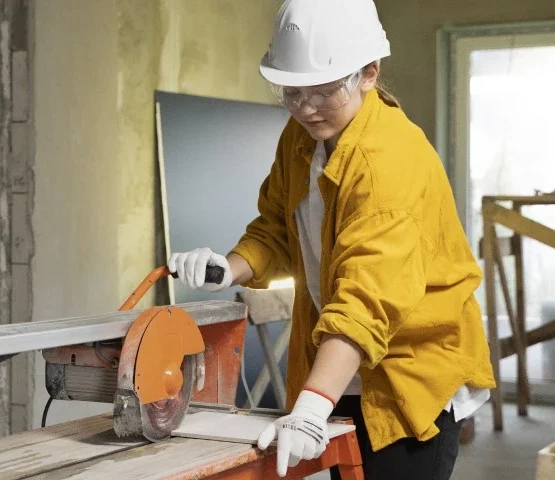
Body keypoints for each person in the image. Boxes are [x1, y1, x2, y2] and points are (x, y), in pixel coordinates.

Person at [167, 0, 496, 478]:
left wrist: (311, 407)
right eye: (291, 92)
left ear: (368, 72)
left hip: (406, 376)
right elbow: (280, 227)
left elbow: (367, 300)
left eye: (321, 92)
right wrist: (230, 265)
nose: (304, 108)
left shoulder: (388, 164)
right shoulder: (303, 137)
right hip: (343, 369)